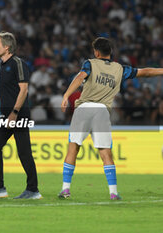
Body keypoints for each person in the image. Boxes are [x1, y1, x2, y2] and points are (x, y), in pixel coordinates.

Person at [58, 37, 163, 200]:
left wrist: (66, 95)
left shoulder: (90, 63)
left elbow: (80, 77)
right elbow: (145, 72)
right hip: (102, 111)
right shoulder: (120, 69)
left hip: (84, 108)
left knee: (73, 148)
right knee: (106, 152)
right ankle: (113, 192)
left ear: (96, 52)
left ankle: (65, 189)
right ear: (110, 52)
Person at [0, 32, 42, 199]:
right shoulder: (3, 65)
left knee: (24, 152)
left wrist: (14, 113)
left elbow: (24, 89)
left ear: (6, 47)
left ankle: (33, 190)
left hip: (18, 115)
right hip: (6, 116)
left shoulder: (18, 63)